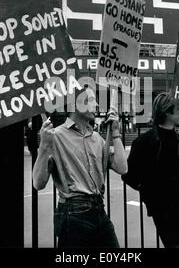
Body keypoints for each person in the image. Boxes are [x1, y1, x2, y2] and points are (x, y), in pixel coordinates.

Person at [33, 87, 127, 248]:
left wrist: (116, 133)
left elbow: (122, 168)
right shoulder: (55, 136)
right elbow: (38, 183)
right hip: (73, 213)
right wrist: (43, 146)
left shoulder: (96, 138)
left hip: (99, 209)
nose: (96, 104)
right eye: (90, 100)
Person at [122, 92, 179, 248]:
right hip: (164, 212)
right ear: (166, 111)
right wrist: (152, 196)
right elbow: (129, 176)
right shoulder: (144, 142)